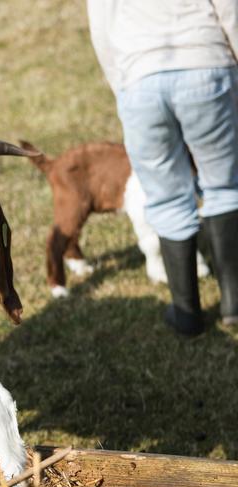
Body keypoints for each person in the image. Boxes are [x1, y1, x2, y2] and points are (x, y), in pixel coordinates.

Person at [88, 0, 238, 335]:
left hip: (139, 77)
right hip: (206, 63)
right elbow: (229, 8)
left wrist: (124, 87)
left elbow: (101, 29)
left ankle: (186, 315)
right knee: (225, 186)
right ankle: (234, 302)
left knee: (166, 196)